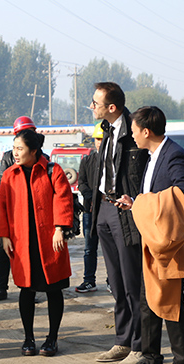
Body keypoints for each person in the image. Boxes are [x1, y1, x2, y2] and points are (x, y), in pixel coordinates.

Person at [116, 106, 184, 364]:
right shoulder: (152, 155)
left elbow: (183, 194)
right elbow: (153, 195)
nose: (132, 135)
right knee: (148, 302)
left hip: (170, 243)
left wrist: (144, 203)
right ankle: (151, 362)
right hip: (152, 239)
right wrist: (136, 202)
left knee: (172, 304)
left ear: (146, 131)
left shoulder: (174, 154)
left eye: (134, 130)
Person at [0, 128, 74, 357]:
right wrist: (4, 235)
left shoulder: (52, 170)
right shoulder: (10, 174)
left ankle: (52, 338)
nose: (15, 153)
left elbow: (64, 199)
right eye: (14, 148)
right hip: (22, 241)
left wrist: (60, 228)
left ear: (34, 151)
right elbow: (2, 206)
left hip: (50, 240)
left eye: (20, 149)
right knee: (26, 290)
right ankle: (28, 338)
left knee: (54, 289)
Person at [89, 82, 149, 364]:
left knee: (131, 281)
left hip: (124, 212)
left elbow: (143, 176)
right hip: (103, 208)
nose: (92, 106)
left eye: (95, 103)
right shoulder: (107, 130)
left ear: (111, 107)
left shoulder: (134, 132)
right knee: (115, 282)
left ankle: (140, 344)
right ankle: (122, 340)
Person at [0, 116, 36, 303]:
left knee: (32, 251)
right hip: (12, 212)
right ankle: (1, 288)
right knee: (4, 251)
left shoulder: (43, 158)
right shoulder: (9, 157)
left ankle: (31, 288)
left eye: (29, 132)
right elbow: (4, 184)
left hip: (32, 213)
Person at [75, 122, 103, 293]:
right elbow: (81, 182)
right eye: (97, 139)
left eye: (102, 138)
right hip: (89, 211)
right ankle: (89, 280)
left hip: (107, 210)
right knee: (89, 249)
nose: (100, 142)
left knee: (110, 249)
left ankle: (112, 280)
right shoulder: (87, 161)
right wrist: (91, 198)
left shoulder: (113, 162)